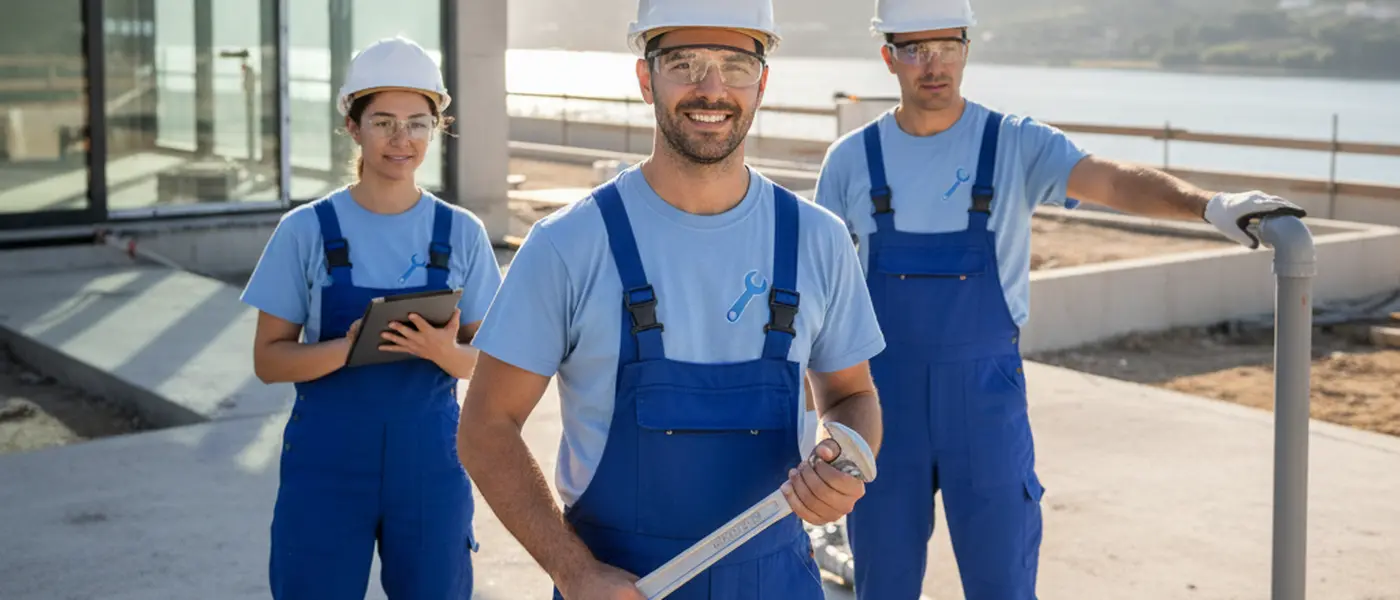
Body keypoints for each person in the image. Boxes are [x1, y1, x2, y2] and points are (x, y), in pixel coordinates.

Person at [812, 1, 1309, 598]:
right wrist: (817, 425)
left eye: (946, 46)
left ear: (967, 48)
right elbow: (825, 303)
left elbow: (1111, 179)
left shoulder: (1014, 144)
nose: (933, 64)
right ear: (888, 55)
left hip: (987, 408)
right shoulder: (849, 162)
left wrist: (1206, 205)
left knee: (1004, 584)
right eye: (915, 49)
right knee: (882, 586)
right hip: (882, 413)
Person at [456, 1, 888, 598]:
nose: (711, 89)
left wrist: (846, 460)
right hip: (618, 586)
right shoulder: (567, 245)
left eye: (735, 66)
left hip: (777, 581)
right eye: (684, 63)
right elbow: (485, 426)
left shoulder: (818, 240)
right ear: (644, 78)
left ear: (762, 83)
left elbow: (851, 394)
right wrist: (571, 568)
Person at [239, 36, 502, 599]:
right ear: (353, 127)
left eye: (417, 122)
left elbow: (492, 362)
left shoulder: (461, 233)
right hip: (326, 471)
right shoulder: (304, 231)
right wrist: (349, 347)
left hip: (430, 468)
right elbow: (267, 360)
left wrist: (443, 353)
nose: (401, 139)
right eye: (382, 121)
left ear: (437, 127)